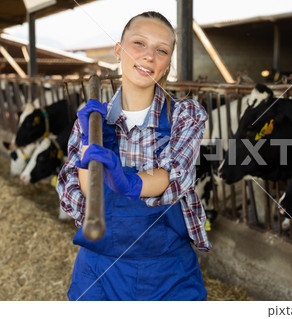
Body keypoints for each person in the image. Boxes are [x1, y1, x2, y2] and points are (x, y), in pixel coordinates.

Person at [57, 11, 210, 301]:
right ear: (119, 50)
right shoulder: (91, 121)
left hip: (168, 275)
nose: (149, 56)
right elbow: (88, 197)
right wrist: (91, 144)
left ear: (166, 65)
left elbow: (175, 174)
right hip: (99, 276)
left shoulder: (185, 115)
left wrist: (128, 184)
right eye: (139, 43)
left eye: (161, 50)